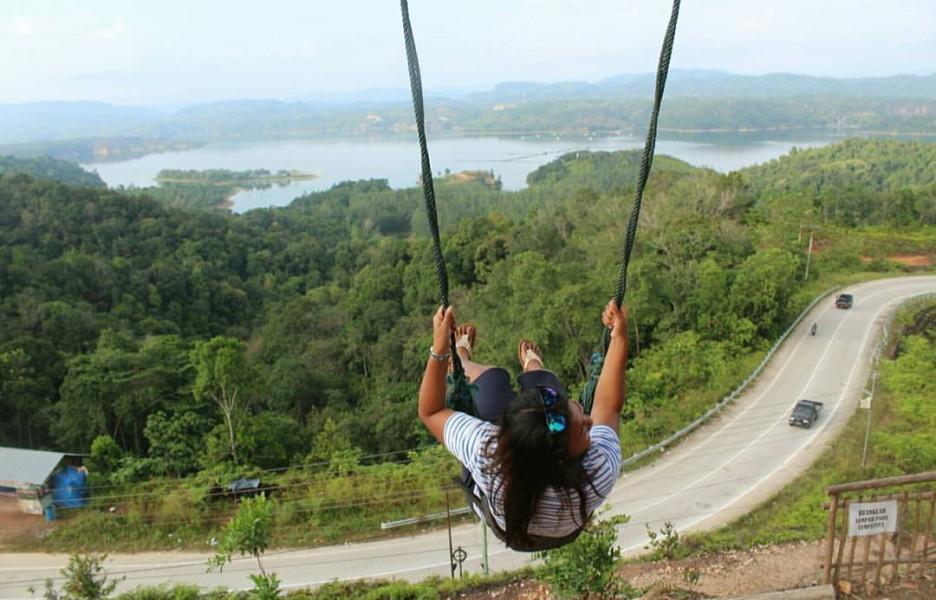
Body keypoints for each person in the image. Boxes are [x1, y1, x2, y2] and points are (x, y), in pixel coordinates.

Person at [418, 299, 628, 551]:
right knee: (547, 395)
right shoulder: (596, 471)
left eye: (583, 426)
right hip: (559, 525)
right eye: (582, 416)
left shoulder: (487, 452)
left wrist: (440, 349)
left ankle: (460, 357)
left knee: (492, 381)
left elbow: (431, 411)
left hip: (505, 509)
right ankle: (533, 366)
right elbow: (608, 407)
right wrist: (620, 338)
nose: (590, 421)